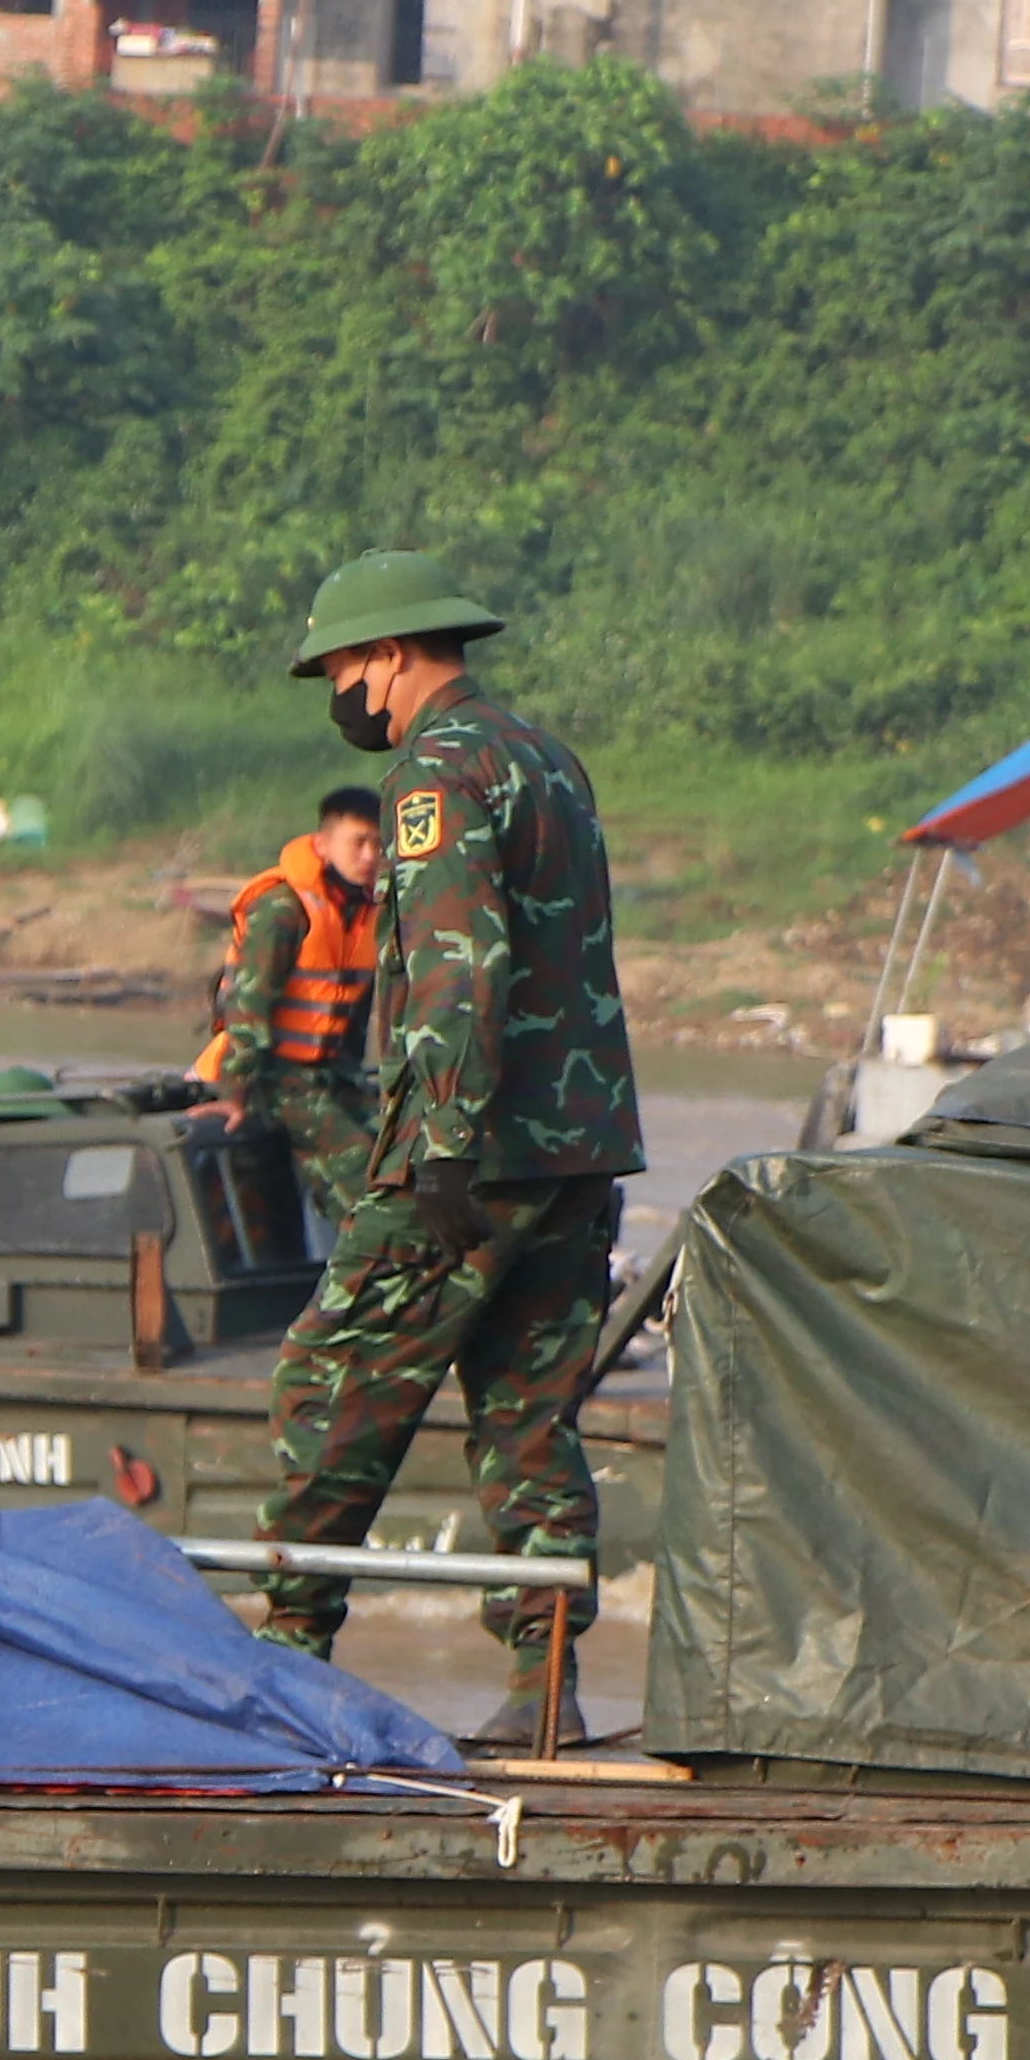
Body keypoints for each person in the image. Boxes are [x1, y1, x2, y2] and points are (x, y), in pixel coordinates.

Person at [249, 551, 642, 1737]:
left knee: (331, 1378)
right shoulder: (547, 761)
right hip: (580, 1151)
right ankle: (546, 1686)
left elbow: (462, 963)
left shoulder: (436, 771)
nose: (340, 692)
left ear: (388, 656)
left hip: (474, 1153)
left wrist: (441, 1151)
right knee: (529, 1414)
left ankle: (285, 1665)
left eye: (341, 669)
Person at [205, 784, 388, 1232]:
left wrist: (360, 1087)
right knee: (365, 1180)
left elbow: (354, 1018)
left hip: (330, 1072)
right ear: (323, 845)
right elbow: (247, 1009)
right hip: (272, 1073)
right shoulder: (284, 910)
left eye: (378, 845)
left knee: (401, 1154)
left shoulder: (367, 914)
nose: (369, 856)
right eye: (357, 842)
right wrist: (233, 1095)